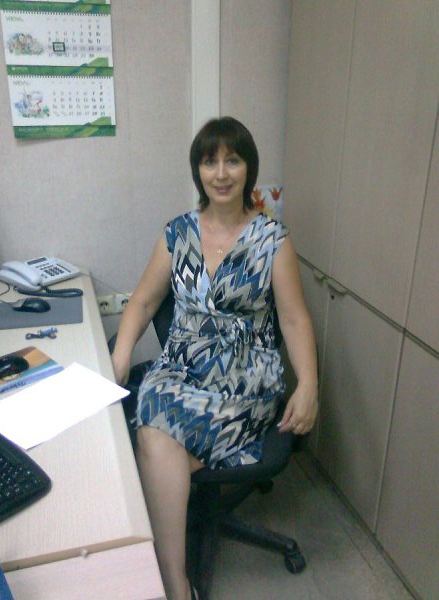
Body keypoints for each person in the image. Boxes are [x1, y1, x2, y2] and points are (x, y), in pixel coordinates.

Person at [112, 116, 318, 600]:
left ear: (249, 169)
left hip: (245, 380)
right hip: (180, 369)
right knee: (155, 424)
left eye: (233, 160)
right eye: (210, 161)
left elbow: (294, 320)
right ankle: (175, 580)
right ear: (198, 170)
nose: (221, 173)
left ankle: (171, 585)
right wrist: (119, 359)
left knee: (151, 441)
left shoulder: (273, 240)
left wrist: (309, 384)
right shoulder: (177, 233)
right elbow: (142, 302)